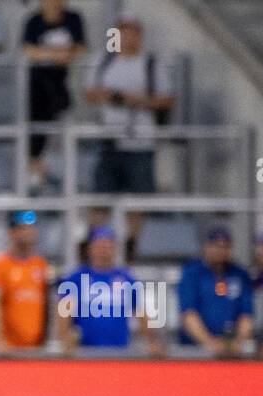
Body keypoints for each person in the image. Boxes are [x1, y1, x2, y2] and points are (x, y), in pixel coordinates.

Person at [83, 13, 175, 254]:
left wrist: (136, 100)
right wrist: (113, 96)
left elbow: (166, 99)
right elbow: (90, 93)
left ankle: (131, 244)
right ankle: (95, 243)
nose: (129, 38)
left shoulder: (151, 64)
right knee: (101, 196)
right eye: (124, 32)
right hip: (111, 137)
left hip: (141, 139)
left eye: (134, 32)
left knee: (138, 198)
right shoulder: (104, 62)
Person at [56, 225, 163, 356]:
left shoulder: (126, 279)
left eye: (108, 246)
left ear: (115, 249)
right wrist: (65, 340)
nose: (103, 251)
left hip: (119, 352)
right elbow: (64, 313)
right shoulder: (76, 279)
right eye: (99, 246)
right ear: (90, 248)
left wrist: (152, 341)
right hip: (85, 353)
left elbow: (141, 312)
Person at [21, 0, 86, 193]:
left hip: (64, 85)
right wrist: (58, 55)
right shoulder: (33, 21)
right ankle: (35, 171)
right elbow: (28, 50)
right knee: (36, 128)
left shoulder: (73, 19)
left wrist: (49, 55)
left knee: (60, 124)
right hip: (39, 87)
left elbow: (80, 49)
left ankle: (53, 172)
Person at [177, 226, 253, 356]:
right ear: (207, 246)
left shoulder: (239, 274)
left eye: (226, 247)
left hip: (232, 351)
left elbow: (246, 315)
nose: (221, 251)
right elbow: (188, 315)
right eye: (217, 246)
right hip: (196, 350)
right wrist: (210, 343)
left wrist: (238, 343)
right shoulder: (193, 273)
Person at [0, 210, 51, 354]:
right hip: (8, 350)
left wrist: (45, 341)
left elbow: (46, 306)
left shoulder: (40, 265)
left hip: (35, 350)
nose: (29, 232)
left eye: (31, 228)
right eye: (23, 228)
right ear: (12, 233)